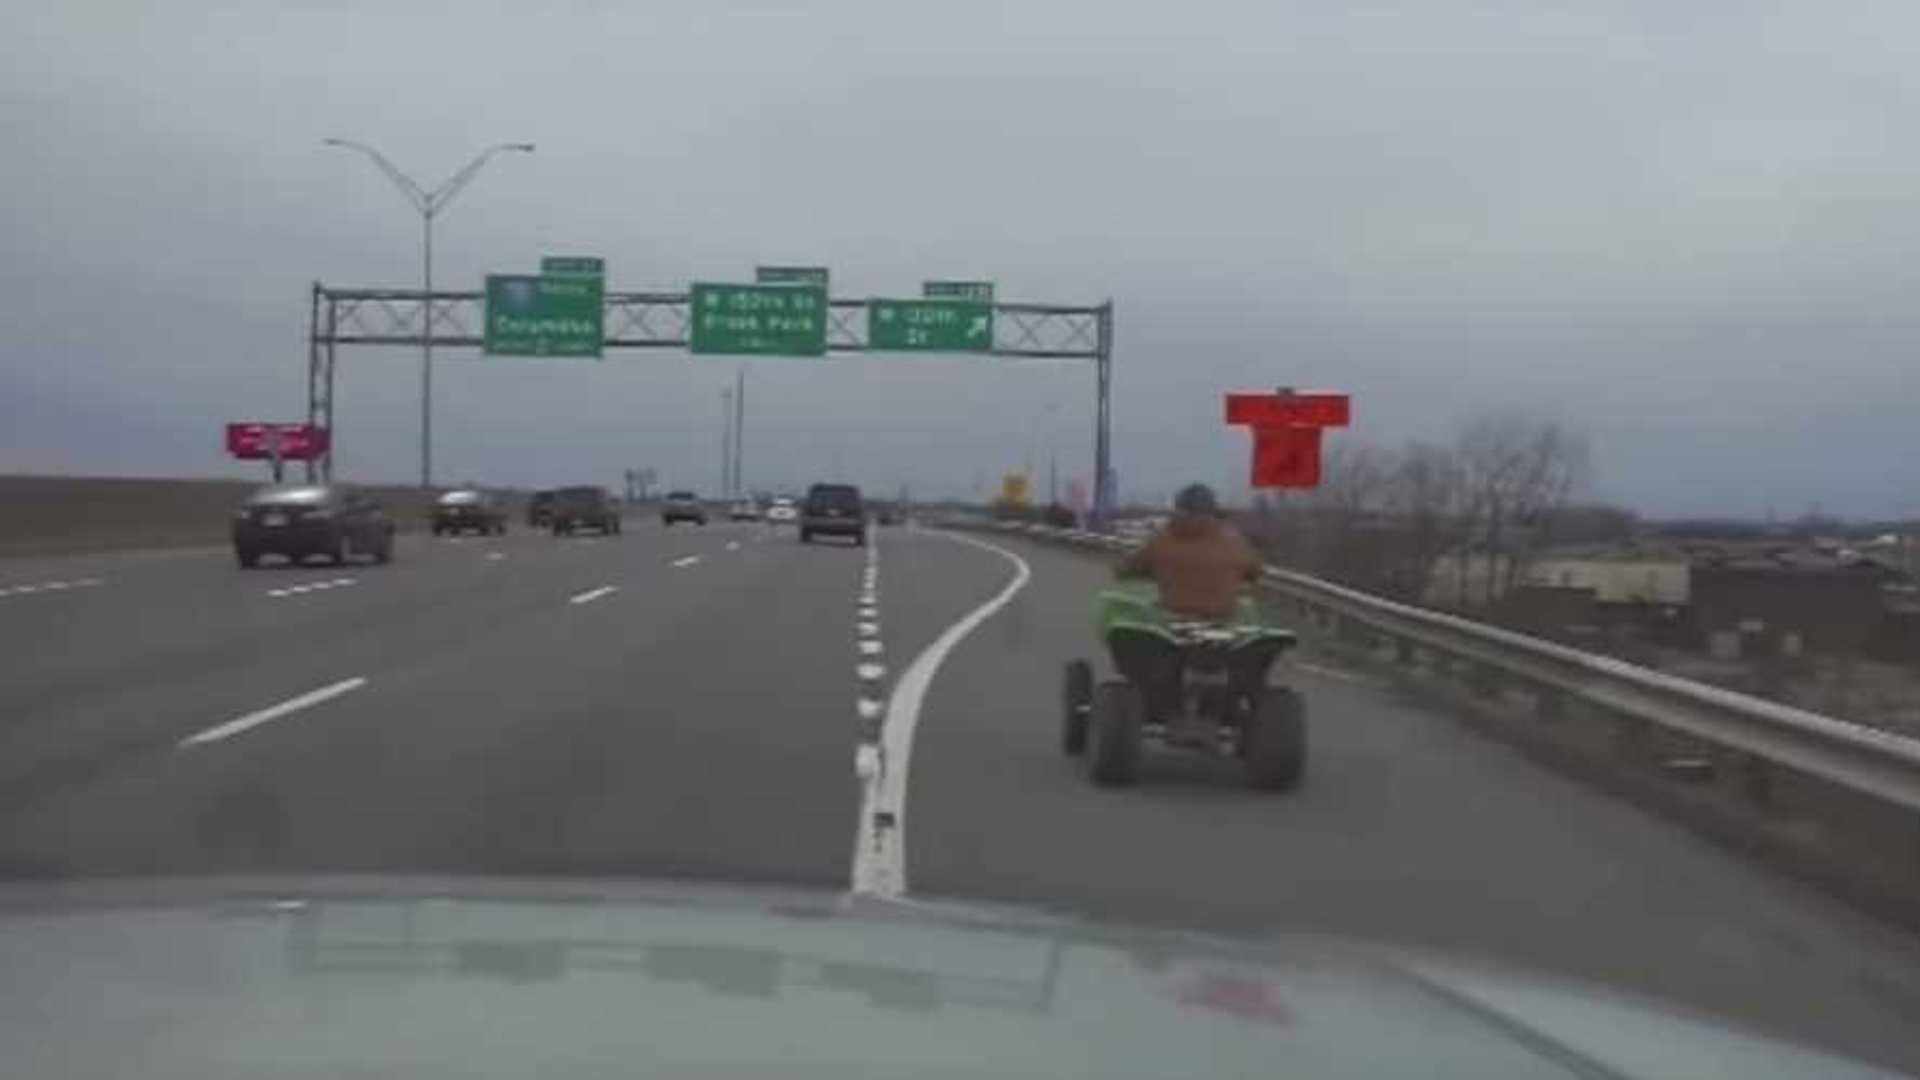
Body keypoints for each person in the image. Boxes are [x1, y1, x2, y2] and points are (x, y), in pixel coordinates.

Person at [1115, 484, 1260, 620]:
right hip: (1221, 621)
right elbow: (1254, 572)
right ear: (1213, 511)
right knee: (1247, 612)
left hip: (1172, 620)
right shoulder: (1235, 541)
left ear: (1178, 510)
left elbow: (1125, 568)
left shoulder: (1162, 540)